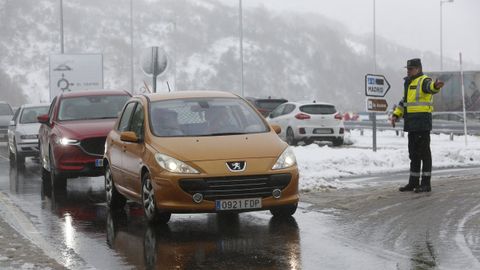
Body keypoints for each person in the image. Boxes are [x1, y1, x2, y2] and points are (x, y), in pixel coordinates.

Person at [391, 58, 444, 193]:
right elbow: (404, 102)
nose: (408, 71)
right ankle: (413, 182)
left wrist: (435, 86)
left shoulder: (423, 80)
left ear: (418, 69)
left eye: (410, 69)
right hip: (412, 125)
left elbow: (430, 87)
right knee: (413, 154)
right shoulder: (409, 83)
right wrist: (396, 115)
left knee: (424, 154)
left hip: (422, 123)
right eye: (407, 69)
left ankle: (426, 184)